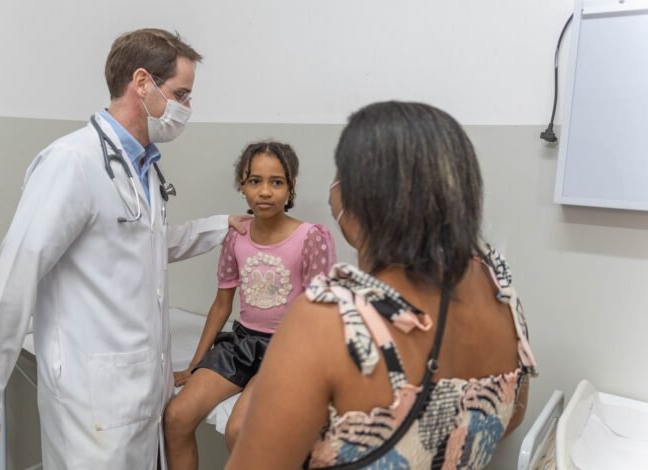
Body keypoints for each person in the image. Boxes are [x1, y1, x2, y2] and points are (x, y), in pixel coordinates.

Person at [0, 29, 248, 469]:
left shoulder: (142, 166)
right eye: (181, 95)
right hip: (92, 398)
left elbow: (145, 244)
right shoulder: (72, 162)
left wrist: (221, 227)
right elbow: (15, 277)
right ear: (142, 83)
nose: (187, 108)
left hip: (141, 389)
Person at [227, 101, 539, 469]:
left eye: (340, 174)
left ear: (362, 195)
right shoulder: (498, 286)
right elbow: (509, 418)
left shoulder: (330, 319)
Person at [163, 141, 337, 469]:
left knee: (240, 430)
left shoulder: (311, 237)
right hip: (242, 344)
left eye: (276, 182)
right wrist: (195, 364)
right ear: (242, 185)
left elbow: (322, 313)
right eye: (255, 181)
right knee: (176, 417)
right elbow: (221, 305)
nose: (265, 191)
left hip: (286, 350)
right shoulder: (236, 235)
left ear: (291, 185)